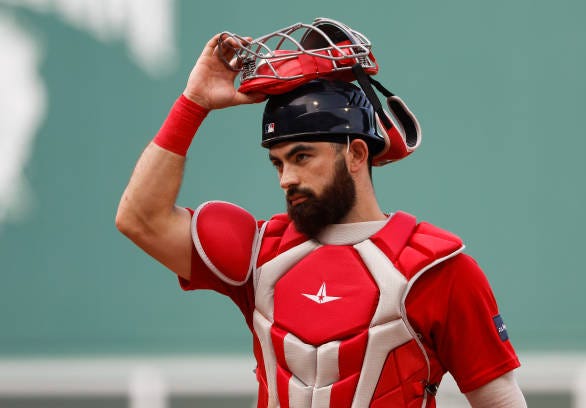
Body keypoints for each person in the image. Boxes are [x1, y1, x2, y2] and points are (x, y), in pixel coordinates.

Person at [116, 29, 527, 407]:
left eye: (302, 157)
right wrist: (194, 103)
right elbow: (140, 218)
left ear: (356, 154)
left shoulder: (436, 269)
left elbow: (499, 400)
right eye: (277, 163)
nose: (287, 178)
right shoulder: (257, 254)